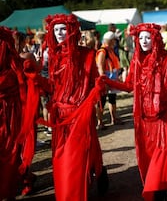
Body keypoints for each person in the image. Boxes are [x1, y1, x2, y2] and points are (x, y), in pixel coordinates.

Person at [103, 23, 167, 200]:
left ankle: (160, 191)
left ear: (155, 39)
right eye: (141, 37)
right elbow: (130, 86)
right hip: (144, 120)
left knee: (161, 158)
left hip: (163, 119)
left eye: (148, 37)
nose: (144, 41)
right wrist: (109, 83)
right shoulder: (136, 61)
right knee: (151, 159)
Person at [29, 14, 109, 200]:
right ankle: (95, 171)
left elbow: (94, 84)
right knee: (63, 158)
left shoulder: (87, 55)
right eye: (56, 30)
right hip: (60, 117)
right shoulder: (53, 56)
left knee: (74, 158)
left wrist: (97, 87)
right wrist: (35, 77)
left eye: (63, 29)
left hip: (80, 114)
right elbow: (52, 87)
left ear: (72, 30)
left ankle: (83, 185)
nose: (59, 33)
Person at [0, 27, 29, 200]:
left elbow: (24, 91)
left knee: (10, 152)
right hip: (10, 114)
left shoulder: (15, 67)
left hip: (10, 116)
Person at [96, 31, 123, 128]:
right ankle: (100, 122)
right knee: (102, 101)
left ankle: (114, 118)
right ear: (111, 41)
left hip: (112, 79)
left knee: (112, 99)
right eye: (114, 40)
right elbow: (100, 66)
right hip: (105, 80)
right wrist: (104, 80)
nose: (116, 42)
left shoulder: (110, 50)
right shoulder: (103, 51)